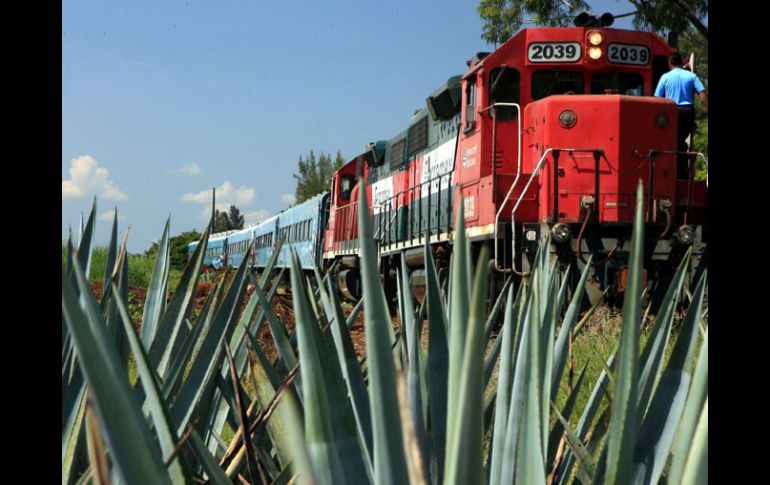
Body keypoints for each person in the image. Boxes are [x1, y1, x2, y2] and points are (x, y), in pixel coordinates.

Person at [654, 52, 708, 179]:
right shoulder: (692, 76)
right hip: (688, 112)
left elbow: (657, 98)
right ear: (682, 62)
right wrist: (706, 108)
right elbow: (702, 93)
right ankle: (682, 171)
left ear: (670, 64)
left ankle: (672, 171)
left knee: (672, 141)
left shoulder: (665, 77)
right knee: (681, 140)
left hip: (671, 111)